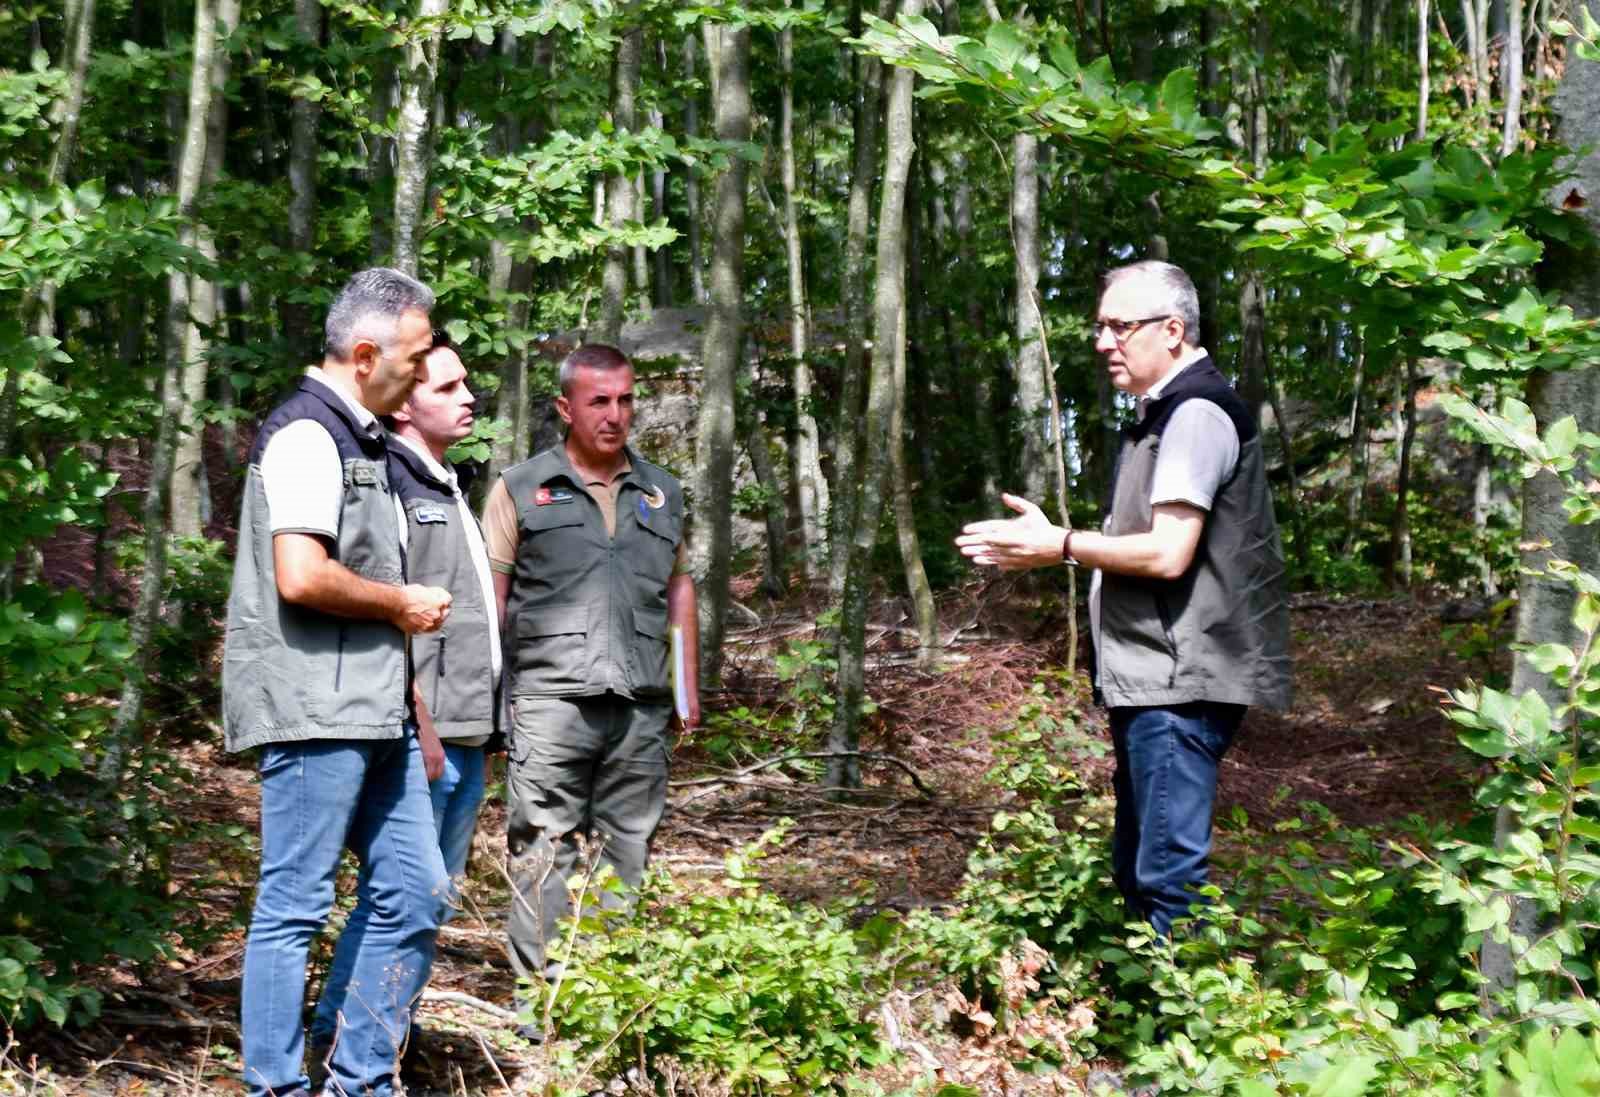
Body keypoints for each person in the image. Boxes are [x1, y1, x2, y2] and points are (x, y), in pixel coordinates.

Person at [956, 260, 1291, 935]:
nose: (1104, 341)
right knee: (1140, 866)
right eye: (1099, 327)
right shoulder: (1158, 415)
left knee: (1167, 877)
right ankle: (1154, 1014)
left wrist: (1061, 544)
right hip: (1155, 679)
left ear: (1173, 330)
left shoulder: (1195, 414)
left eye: (1119, 326)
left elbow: (1168, 553)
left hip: (1179, 682)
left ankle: (1185, 1030)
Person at [222, 267, 453, 1097]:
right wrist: (402, 604)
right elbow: (300, 574)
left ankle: (360, 1080)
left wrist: (413, 707)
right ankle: (276, 1086)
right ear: (365, 353)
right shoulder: (307, 435)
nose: (424, 373)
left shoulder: (367, 438)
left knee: (418, 892)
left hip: (376, 710)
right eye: (417, 356)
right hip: (314, 709)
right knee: (295, 905)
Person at [481, 343, 701, 1026]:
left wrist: (687, 691)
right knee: (543, 846)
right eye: (599, 400)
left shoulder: (663, 492)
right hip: (550, 702)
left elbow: (679, 589)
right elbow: (492, 597)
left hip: (640, 703)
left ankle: (605, 1001)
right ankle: (539, 1008)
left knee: (628, 847)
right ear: (565, 408)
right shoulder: (520, 487)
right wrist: (490, 701)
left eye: (626, 399)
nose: (615, 414)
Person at [307, 333, 502, 1061]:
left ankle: (380, 1033)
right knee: (403, 895)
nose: (468, 398)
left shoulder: (447, 479)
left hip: (467, 733)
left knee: (426, 898)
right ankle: (348, 1036)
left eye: (466, 385)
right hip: (426, 736)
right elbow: (391, 614)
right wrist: (417, 726)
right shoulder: (391, 480)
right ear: (405, 404)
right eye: (447, 388)